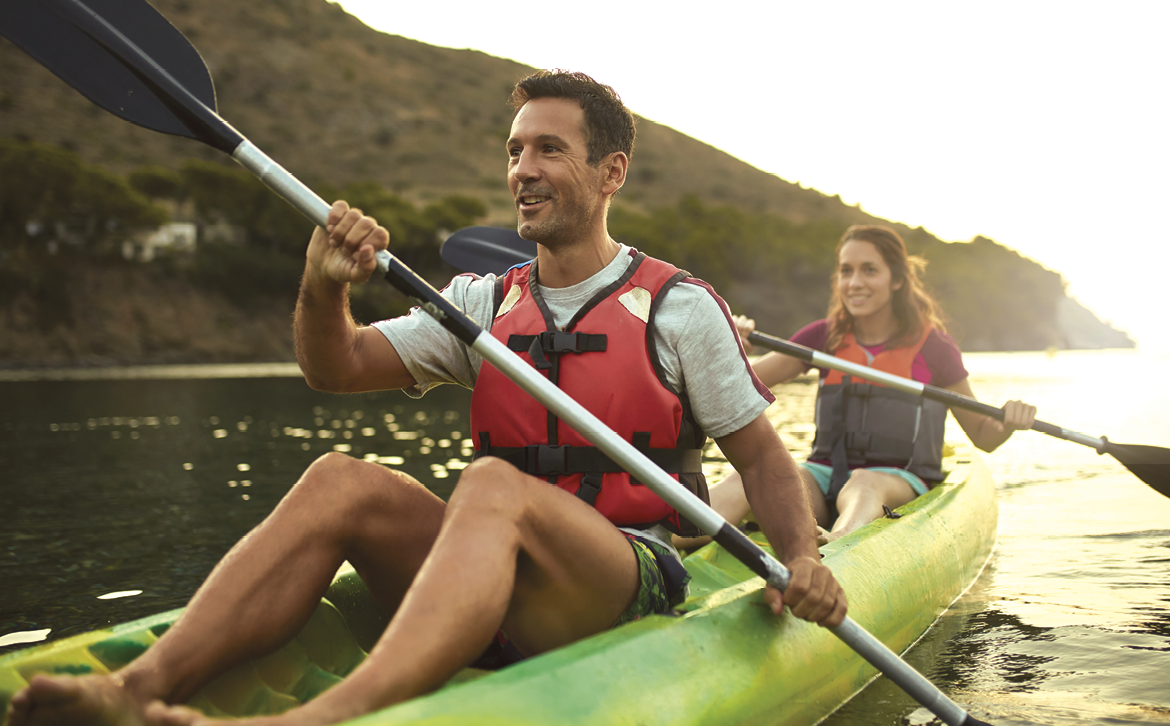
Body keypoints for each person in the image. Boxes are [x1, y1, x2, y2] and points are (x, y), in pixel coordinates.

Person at [5, 71, 846, 726]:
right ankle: (135, 688)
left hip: (621, 574)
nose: (523, 170)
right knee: (340, 478)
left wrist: (802, 557)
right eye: (514, 151)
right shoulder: (480, 304)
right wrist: (323, 284)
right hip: (498, 573)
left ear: (610, 171)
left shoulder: (678, 307)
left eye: (549, 150)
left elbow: (762, 459)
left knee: (489, 484)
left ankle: (325, 715)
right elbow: (336, 367)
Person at [695, 225, 1036, 548]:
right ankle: (675, 536)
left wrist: (1008, 421)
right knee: (754, 478)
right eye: (846, 271)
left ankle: (839, 542)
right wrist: (733, 347)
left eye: (869, 270)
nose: (855, 282)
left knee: (864, 481)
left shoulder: (934, 348)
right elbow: (738, 384)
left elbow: (983, 436)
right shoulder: (823, 337)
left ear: (897, 280)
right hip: (823, 477)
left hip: (897, 480)